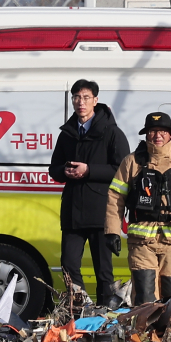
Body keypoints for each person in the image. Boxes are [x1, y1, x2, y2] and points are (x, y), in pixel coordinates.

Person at [48, 79, 130, 305]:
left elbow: (122, 169)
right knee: (68, 264)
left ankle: (105, 314)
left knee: (103, 270)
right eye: (76, 97)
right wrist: (65, 171)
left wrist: (89, 170)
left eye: (85, 97)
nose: (80, 102)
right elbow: (53, 168)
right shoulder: (67, 133)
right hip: (73, 212)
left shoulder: (112, 132)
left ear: (95, 100)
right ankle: (81, 308)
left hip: (101, 211)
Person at [105, 113, 171, 305]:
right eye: (152, 131)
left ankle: (170, 335)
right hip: (142, 242)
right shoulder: (132, 162)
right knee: (144, 296)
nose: (157, 136)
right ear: (146, 134)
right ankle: (144, 335)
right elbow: (115, 197)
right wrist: (112, 231)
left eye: (162, 131)